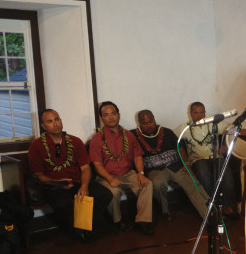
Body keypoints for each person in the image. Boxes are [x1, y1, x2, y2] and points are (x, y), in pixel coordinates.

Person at [28, 109, 113, 242]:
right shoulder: (36, 146)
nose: (55, 124)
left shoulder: (75, 141)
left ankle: (85, 227)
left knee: (105, 194)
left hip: (77, 181)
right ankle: (78, 230)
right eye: (50, 121)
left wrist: (84, 186)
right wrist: (58, 182)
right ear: (43, 126)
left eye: (57, 119)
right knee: (63, 203)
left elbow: (85, 168)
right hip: (53, 186)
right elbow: (39, 176)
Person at [89, 101, 154, 235]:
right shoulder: (97, 139)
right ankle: (117, 221)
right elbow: (97, 165)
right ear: (102, 119)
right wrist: (109, 178)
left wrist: (141, 173)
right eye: (106, 115)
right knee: (112, 193)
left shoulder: (129, 135)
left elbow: (137, 157)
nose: (111, 117)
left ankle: (143, 220)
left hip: (128, 173)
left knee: (147, 184)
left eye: (113, 113)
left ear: (119, 115)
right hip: (106, 176)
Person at [132, 110, 208, 220]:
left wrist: (186, 164)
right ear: (139, 123)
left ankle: (209, 212)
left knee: (192, 182)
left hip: (175, 165)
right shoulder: (134, 136)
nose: (148, 125)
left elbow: (180, 147)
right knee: (157, 184)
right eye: (144, 123)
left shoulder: (166, 132)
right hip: (155, 170)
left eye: (151, 121)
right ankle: (164, 211)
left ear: (154, 119)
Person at [174, 102, 239, 219]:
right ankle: (210, 209)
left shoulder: (214, 123)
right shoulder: (185, 128)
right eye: (196, 113)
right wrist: (185, 162)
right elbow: (172, 139)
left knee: (227, 175)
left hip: (216, 157)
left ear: (205, 113)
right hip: (198, 160)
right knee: (204, 175)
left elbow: (231, 129)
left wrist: (225, 144)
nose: (199, 115)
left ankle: (229, 207)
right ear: (191, 114)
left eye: (202, 112)